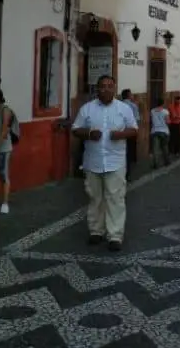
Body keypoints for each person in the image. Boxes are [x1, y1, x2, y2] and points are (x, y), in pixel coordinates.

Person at [72, 75, 138, 251]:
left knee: (115, 199)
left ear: (115, 88)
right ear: (97, 89)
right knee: (95, 198)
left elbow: (134, 129)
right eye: (102, 86)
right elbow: (75, 129)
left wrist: (120, 135)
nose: (106, 89)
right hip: (92, 161)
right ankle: (96, 231)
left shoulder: (124, 109)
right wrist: (88, 133)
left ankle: (115, 235)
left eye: (110, 86)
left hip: (115, 162)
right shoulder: (87, 109)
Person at [121, 89, 140, 182]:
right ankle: (127, 174)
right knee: (128, 153)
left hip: (119, 132)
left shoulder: (118, 105)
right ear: (128, 96)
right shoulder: (133, 105)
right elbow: (136, 120)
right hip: (130, 132)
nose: (132, 96)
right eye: (131, 94)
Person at [149, 97, 171, 168]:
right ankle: (166, 161)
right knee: (164, 147)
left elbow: (152, 120)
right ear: (163, 103)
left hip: (155, 131)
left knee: (155, 149)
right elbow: (167, 121)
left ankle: (156, 164)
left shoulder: (152, 111)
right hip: (164, 131)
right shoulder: (165, 111)